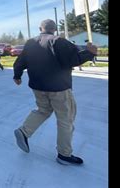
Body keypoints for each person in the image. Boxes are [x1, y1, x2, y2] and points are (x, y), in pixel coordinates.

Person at [12, 19, 97, 166]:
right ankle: (64, 154)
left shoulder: (30, 43)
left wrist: (17, 76)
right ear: (55, 29)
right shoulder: (59, 42)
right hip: (59, 88)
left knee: (43, 110)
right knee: (65, 119)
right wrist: (90, 53)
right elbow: (72, 59)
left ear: (40, 28)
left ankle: (24, 131)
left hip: (37, 86)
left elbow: (20, 61)